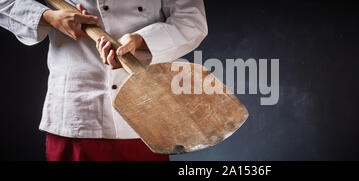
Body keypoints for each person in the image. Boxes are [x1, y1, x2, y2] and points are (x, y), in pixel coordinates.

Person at [0, 0, 208, 161]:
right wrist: (49, 17)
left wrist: (140, 41)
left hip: (145, 119)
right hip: (76, 114)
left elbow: (191, 21)